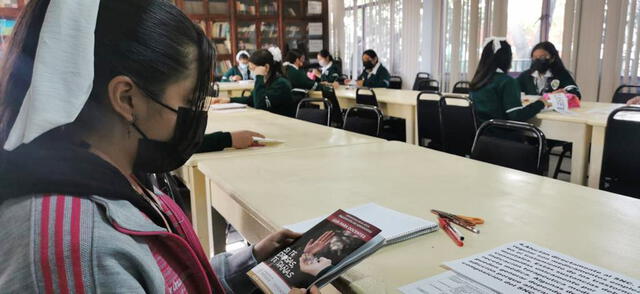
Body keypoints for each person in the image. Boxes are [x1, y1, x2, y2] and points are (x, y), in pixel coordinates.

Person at [0, 1, 316, 293]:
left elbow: (170, 281)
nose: (195, 117)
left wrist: (252, 261)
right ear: (126, 98)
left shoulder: (121, 180)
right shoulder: (73, 250)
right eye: (188, 102)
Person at [470, 38, 550, 124]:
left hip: (480, 134)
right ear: (507, 58)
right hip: (502, 134)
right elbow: (516, 116)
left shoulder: (478, 80)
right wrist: (540, 103)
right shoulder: (507, 81)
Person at [212, 48, 296, 117]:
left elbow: (260, 106)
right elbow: (251, 99)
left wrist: (259, 76)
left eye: (253, 69)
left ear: (266, 67)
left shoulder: (281, 84)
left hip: (282, 124)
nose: (252, 72)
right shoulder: (266, 81)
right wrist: (229, 100)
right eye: (250, 69)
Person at [517, 41, 581, 98]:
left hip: (553, 110)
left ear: (552, 58)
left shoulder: (561, 74)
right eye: (535, 58)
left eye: (542, 57)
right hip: (532, 110)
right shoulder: (525, 76)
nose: (538, 60)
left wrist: (563, 94)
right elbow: (512, 91)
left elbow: (575, 94)